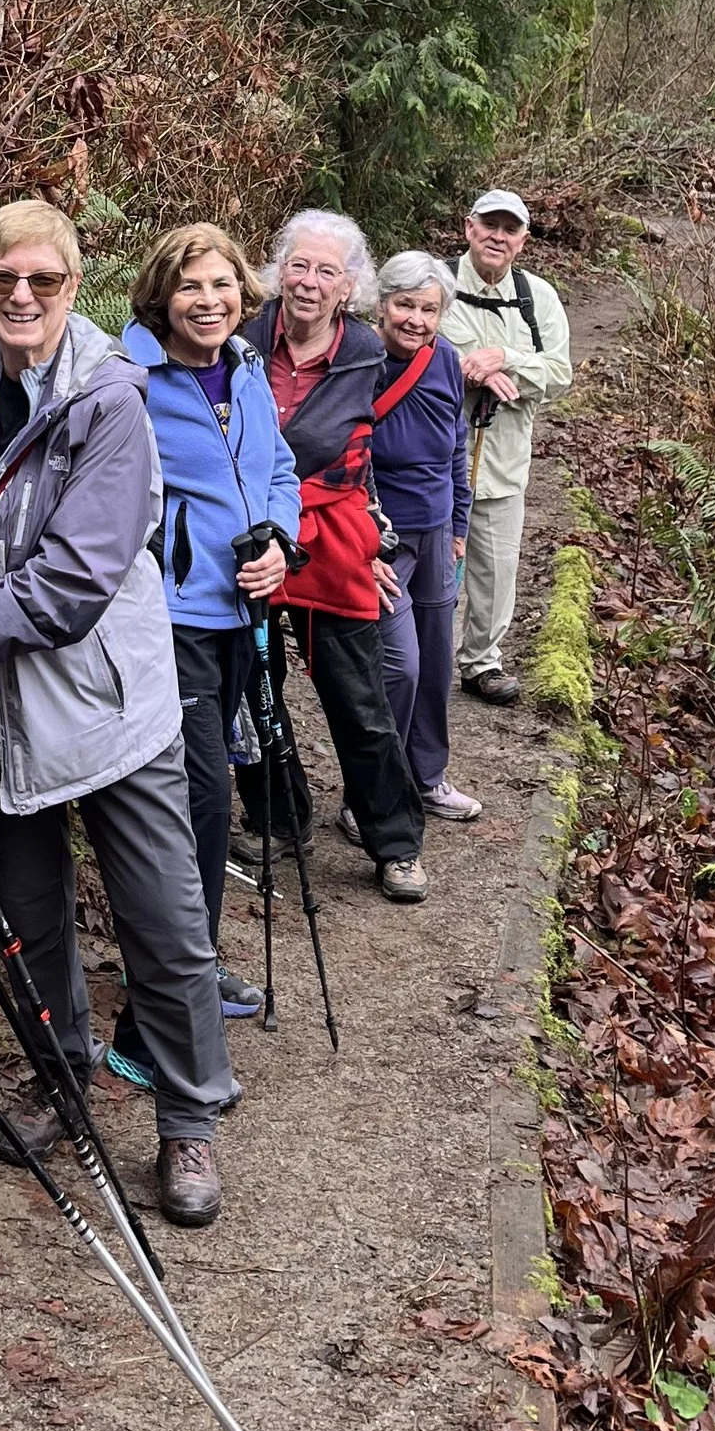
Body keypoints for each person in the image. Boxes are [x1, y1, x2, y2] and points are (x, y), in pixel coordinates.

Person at [0, 199, 238, 1229]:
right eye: (3, 278)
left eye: (43, 280)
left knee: (162, 917)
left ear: (73, 287)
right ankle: (61, 1085)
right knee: (24, 919)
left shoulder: (110, 400)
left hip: (103, 700)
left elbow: (77, 574)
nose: (21, 296)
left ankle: (188, 1120)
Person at [116, 220, 302, 1035]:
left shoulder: (247, 369)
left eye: (222, 284)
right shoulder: (130, 381)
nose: (209, 299)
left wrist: (280, 544)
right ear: (161, 294)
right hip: (171, 618)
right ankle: (179, 970)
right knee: (199, 794)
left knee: (210, 789)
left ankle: (189, 956)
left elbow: (279, 471)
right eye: (191, 285)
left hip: (243, 611)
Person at [239, 211, 430, 902]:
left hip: (328, 536)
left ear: (349, 284)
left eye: (325, 270)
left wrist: (382, 535)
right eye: (298, 265)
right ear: (277, 270)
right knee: (248, 688)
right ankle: (279, 814)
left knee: (356, 698)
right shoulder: (241, 336)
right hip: (247, 536)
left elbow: (371, 454)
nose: (309, 282)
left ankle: (396, 839)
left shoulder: (368, 354)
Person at [443, 188, 574, 702]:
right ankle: (413, 656)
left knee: (496, 568)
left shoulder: (538, 297)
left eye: (509, 229)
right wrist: (465, 369)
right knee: (424, 562)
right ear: (469, 227)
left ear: (522, 240)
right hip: (433, 455)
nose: (498, 236)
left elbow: (560, 371)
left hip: (503, 456)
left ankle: (481, 662)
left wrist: (506, 358)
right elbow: (399, 341)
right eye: (489, 225)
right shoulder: (435, 281)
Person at [369, 251, 478, 824]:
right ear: (381, 305)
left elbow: (457, 446)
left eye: (428, 309)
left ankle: (428, 778)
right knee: (398, 667)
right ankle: (373, 792)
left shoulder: (446, 361)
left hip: (437, 533)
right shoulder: (359, 362)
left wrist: (459, 526)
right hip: (379, 542)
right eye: (405, 305)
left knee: (436, 663)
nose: (416, 319)